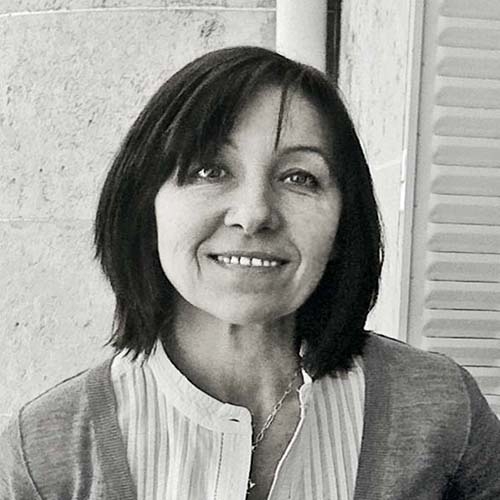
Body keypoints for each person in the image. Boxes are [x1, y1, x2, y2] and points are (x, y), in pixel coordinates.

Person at [1, 46, 499, 500]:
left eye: (299, 177)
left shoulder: (441, 408)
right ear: (145, 206)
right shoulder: (43, 453)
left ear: (343, 224)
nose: (254, 213)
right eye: (210, 170)